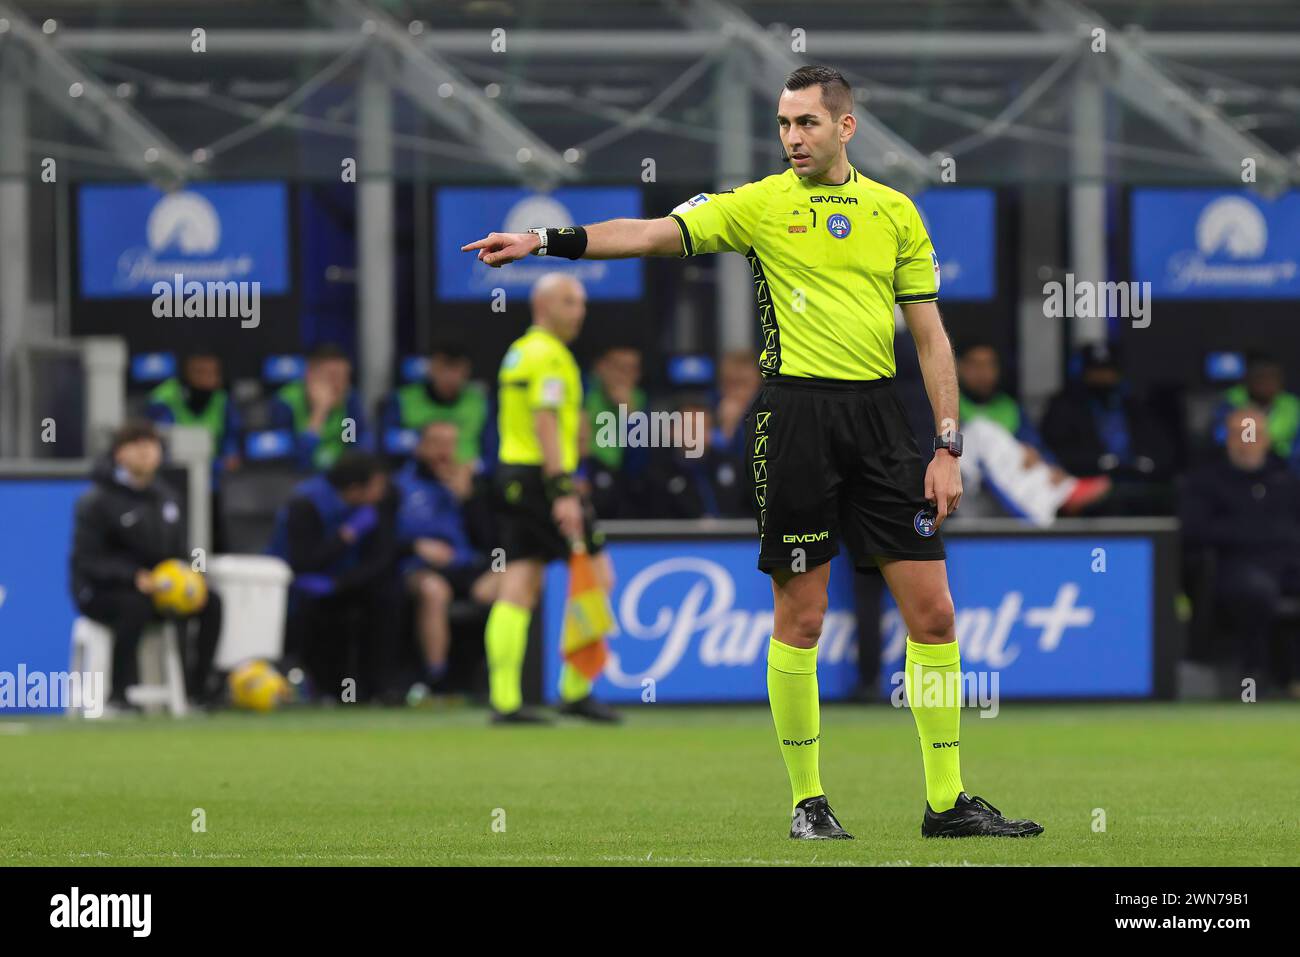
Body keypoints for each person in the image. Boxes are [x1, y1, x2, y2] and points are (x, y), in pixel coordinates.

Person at [463, 65, 1041, 839]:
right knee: (800, 617)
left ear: (845, 126)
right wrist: (544, 240)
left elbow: (931, 338)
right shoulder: (759, 205)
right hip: (796, 419)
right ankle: (808, 801)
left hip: (882, 422)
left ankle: (947, 801)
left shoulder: (895, 210)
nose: (792, 137)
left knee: (934, 614)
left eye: (805, 122)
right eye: (782, 123)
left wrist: (946, 444)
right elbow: (650, 233)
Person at [483, 272, 620, 725]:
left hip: (515, 474)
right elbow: (545, 421)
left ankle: (505, 700)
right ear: (543, 306)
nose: (579, 311)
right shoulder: (549, 356)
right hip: (544, 478)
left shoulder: (520, 351)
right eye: (569, 302)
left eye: (581, 302)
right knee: (597, 575)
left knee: (519, 583)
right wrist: (563, 489)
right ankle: (575, 690)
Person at [70, 421, 223, 709]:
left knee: (211, 601)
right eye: (136, 445)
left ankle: (199, 691)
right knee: (134, 604)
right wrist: (132, 577)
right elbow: (87, 560)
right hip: (103, 592)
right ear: (119, 454)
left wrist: (195, 572)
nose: (145, 452)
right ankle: (119, 694)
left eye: (151, 445)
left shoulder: (168, 498)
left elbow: (183, 550)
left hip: (160, 588)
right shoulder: (96, 502)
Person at [1180, 407, 1300, 696]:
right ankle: (1258, 679)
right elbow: (1194, 531)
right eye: (1240, 435)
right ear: (1228, 440)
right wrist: (1256, 532)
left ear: (1267, 439)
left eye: (1254, 435)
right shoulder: (1205, 481)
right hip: (1233, 566)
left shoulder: (1286, 479)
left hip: (1287, 564)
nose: (1247, 443)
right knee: (1256, 592)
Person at [269, 452, 399, 703]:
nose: (382, 493)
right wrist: (347, 535)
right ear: (354, 489)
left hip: (341, 581)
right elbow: (305, 561)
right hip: (298, 580)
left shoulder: (373, 507)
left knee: (387, 594)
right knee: (315, 609)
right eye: (376, 487)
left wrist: (342, 583)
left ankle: (380, 689)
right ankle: (321, 689)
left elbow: (381, 557)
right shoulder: (306, 504)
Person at [395, 421, 500, 694]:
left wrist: (469, 500)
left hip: (467, 568)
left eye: (451, 444)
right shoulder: (400, 487)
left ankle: (496, 675)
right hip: (418, 569)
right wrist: (416, 546)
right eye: (437, 443)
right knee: (435, 591)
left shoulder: (474, 487)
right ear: (420, 447)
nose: (445, 452)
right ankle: (436, 678)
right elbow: (384, 538)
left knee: (509, 584)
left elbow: (492, 541)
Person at [957, 341, 1110, 525]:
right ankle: (1059, 496)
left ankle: (1056, 495)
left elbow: (1036, 447)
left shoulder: (1008, 407)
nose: (984, 373)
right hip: (961, 493)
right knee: (978, 430)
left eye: (990, 365)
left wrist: (1048, 465)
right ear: (958, 367)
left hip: (1001, 500)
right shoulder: (949, 403)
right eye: (976, 365)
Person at [1040, 342, 1177, 515]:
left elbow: (1164, 453)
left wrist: (1137, 465)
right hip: (1085, 492)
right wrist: (1101, 464)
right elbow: (1055, 455)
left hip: (1138, 492)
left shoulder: (1136, 408)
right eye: (1095, 372)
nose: (1102, 377)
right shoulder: (1064, 408)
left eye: (1107, 371)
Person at [382, 340, 489, 468]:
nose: (449, 377)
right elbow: (386, 442)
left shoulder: (479, 402)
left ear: (467, 370)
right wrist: (421, 441)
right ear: (431, 367)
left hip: (469, 477)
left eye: (456, 369)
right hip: (418, 476)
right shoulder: (403, 399)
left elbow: (492, 454)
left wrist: (473, 469)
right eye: (443, 368)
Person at [642, 395, 748, 519]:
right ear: (672, 431)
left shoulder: (733, 467)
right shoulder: (657, 475)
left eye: (704, 427)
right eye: (690, 428)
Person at [269, 343, 371, 471]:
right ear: (310, 376)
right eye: (332, 377)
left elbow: (356, 447)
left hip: (340, 477)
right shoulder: (286, 403)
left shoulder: (349, 400)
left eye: (345, 377)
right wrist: (319, 412)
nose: (340, 385)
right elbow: (296, 461)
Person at [145, 351, 242, 473]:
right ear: (185, 374)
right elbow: (162, 445)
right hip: (174, 472)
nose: (206, 379)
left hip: (214, 474)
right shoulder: (163, 398)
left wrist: (227, 458)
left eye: (212, 373)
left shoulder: (222, 399)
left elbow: (231, 443)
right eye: (199, 372)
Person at [1216, 353, 1299, 462]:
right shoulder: (1231, 401)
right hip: (1237, 464)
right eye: (1260, 376)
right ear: (1249, 380)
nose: (1266, 382)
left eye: (1271, 377)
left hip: (1283, 464)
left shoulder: (1292, 405)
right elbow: (1219, 437)